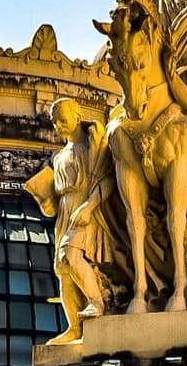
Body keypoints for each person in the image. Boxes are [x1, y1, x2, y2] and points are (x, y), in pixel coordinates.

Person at [26, 98, 130, 343]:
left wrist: (89, 206)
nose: (58, 125)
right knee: (62, 271)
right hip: (65, 210)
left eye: (63, 119)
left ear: (78, 115)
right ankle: (74, 327)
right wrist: (46, 199)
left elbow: (107, 180)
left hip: (88, 209)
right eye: (54, 122)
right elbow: (57, 192)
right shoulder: (59, 156)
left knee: (70, 256)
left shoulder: (95, 146)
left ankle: (97, 303)